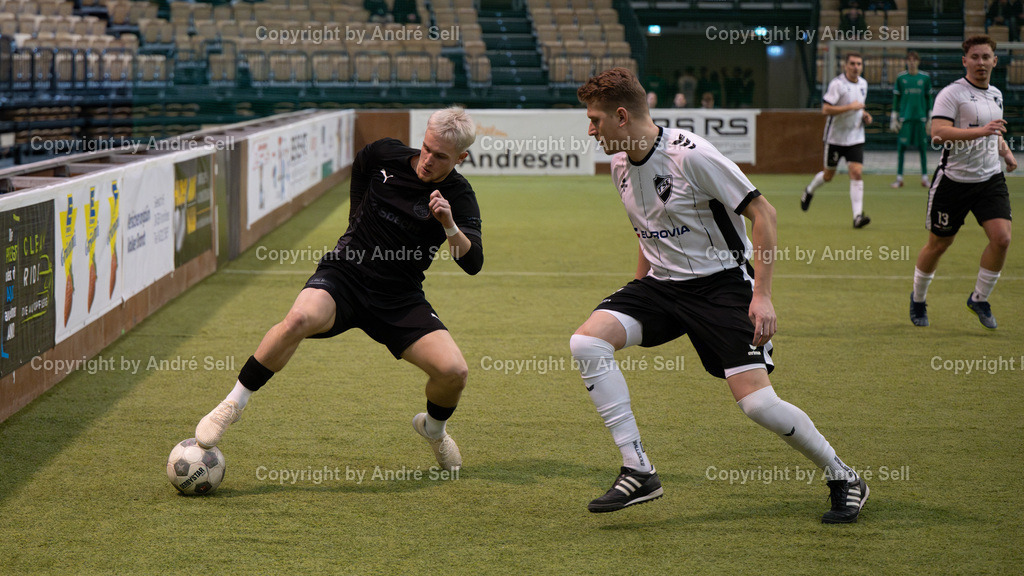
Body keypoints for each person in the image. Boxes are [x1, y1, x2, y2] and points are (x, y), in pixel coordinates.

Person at [572, 68, 868, 523]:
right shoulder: (619, 164)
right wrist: (636, 287)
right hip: (662, 286)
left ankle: (843, 476)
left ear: (622, 116)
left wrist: (763, 296)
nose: (589, 130)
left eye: (594, 120)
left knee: (758, 404)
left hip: (722, 287)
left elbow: (764, 214)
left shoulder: (691, 157)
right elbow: (648, 232)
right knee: (587, 341)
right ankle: (638, 469)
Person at [193, 107, 484, 472]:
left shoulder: (459, 195)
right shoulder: (385, 154)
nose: (427, 160)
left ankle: (434, 431)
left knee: (454, 372)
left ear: (461, 158)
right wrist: (355, 220)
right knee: (299, 318)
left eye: (440, 156)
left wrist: (449, 225)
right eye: (426, 148)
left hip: (399, 296)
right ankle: (232, 405)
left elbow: (472, 263)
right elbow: (362, 163)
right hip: (345, 275)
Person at [909, 35, 1017, 329]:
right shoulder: (951, 94)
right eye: (975, 57)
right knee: (939, 244)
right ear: (964, 61)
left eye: (986, 57)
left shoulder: (996, 94)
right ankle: (918, 299)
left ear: (995, 61)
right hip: (954, 181)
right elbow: (938, 133)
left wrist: (1006, 153)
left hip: (989, 179)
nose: (981, 62)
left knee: (1002, 238)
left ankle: (979, 298)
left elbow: (995, 132)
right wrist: (982, 131)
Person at [800, 52, 873, 228]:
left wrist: (864, 115)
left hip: (855, 137)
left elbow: (858, 108)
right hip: (835, 138)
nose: (856, 67)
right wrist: (850, 107)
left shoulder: (864, 84)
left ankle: (857, 217)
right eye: (852, 64)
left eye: (859, 64)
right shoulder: (837, 84)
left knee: (856, 172)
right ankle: (809, 190)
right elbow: (825, 109)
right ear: (845, 66)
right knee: (828, 175)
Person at [890, 51, 933, 189]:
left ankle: (925, 178)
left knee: (922, 148)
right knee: (901, 148)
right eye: (909, 59)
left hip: (920, 118)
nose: (912, 62)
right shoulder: (901, 78)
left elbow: (929, 98)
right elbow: (896, 98)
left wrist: (930, 116)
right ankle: (899, 178)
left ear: (918, 62)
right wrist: (894, 116)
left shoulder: (925, 78)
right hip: (905, 118)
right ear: (906, 62)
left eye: (914, 59)